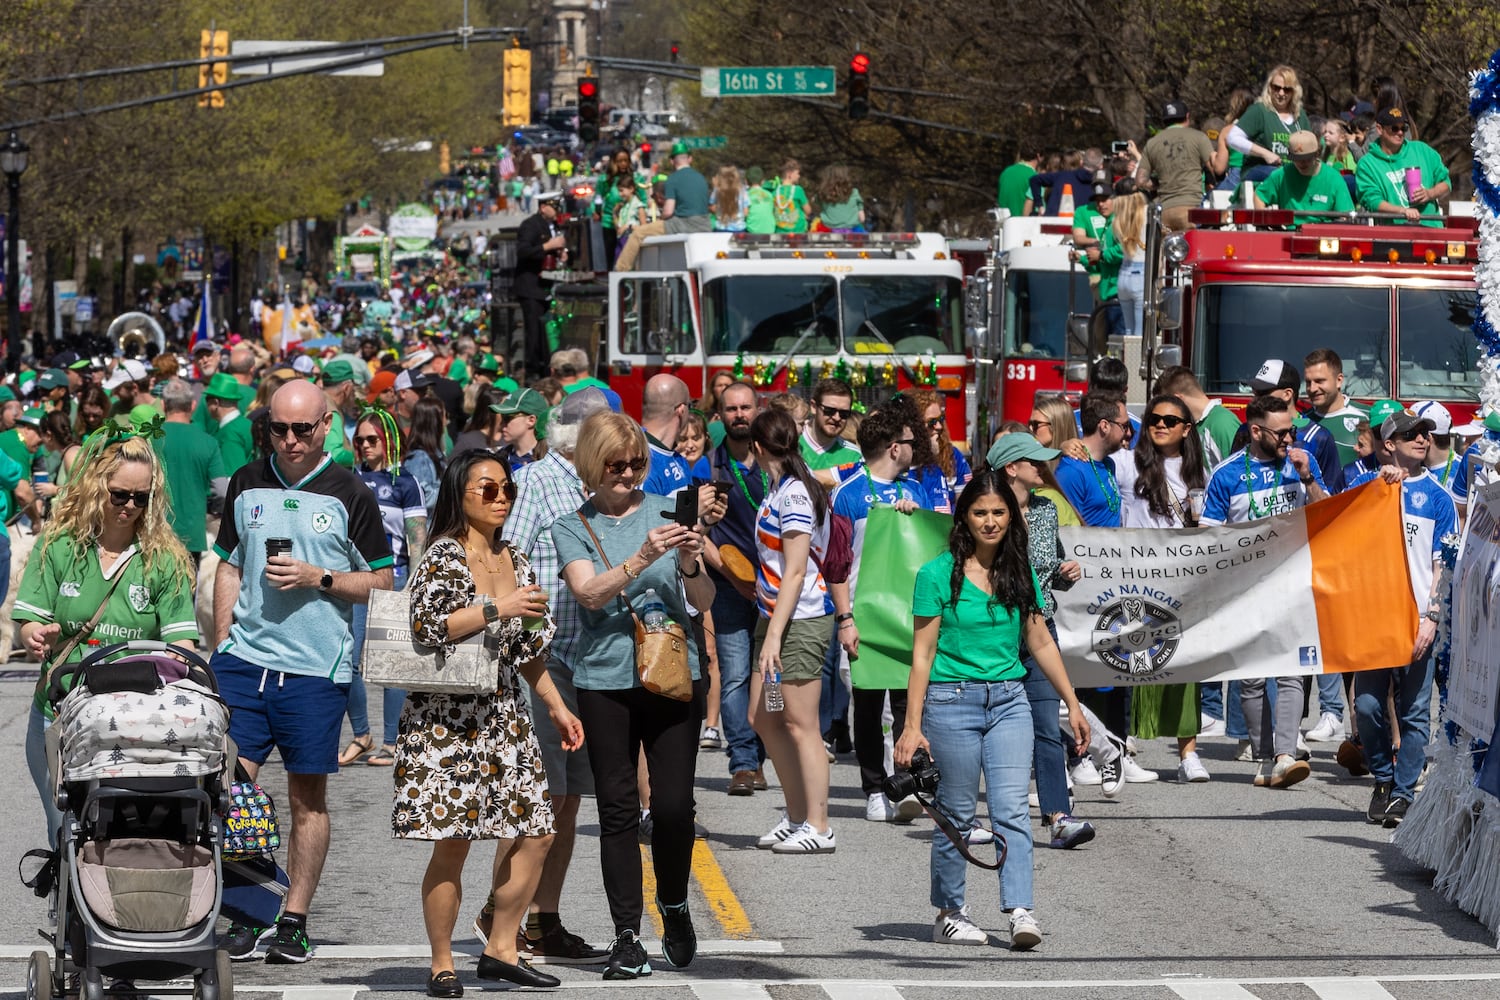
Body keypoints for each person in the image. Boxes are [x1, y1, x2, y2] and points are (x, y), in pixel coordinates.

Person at [210, 379, 395, 963]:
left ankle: (293, 917)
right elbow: (228, 565)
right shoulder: (247, 481)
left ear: (325, 428)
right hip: (244, 663)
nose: (289, 440)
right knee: (227, 786)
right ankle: (246, 907)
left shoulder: (350, 493)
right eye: (278, 428)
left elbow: (385, 582)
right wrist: (221, 643)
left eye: (302, 429)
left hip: (315, 671)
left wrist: (322, 578)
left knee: (306, 798)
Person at [399, 450, 582, 994]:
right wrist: (498, 607)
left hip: (504, 713)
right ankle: (441, 962)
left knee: (538, 831)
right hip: (445, 722)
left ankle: (502, 946)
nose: (501, 497)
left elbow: (527, 651)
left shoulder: (516, 559)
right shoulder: (442, 558)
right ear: (460, 494)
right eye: (487, 488)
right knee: (454, 843)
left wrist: (555, 704)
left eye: (507, 488)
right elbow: (427, 625)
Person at [552, 411, 716, 980]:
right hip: (603, 680)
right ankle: (626, 935)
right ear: (592, 467)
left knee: (673, 808)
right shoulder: (571, 524)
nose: (627, 474)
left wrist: (691, 559)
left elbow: (704, 596)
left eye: (637, 463)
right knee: (618, 811)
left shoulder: (669, 507)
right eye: (616, 465)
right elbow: (589, 593)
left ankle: (673, 902)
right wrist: (643, 557)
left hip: (673, 673)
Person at [895, 470, 1090, 950]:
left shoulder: (1018, 570)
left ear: (1011, 516)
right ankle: (950, 913)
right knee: (957, 814)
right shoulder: (936, 574)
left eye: (998, 512)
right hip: (950, 702)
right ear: (963, 517)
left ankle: (1020, 910)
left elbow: (1039, 639)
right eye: (980, 512)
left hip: (1009, 701)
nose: (989, 521)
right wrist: (911, 726)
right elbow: (921, 655)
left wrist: (1073, 702)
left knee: (1011, 812)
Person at [17, 431, 200, 846]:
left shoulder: (165, 558)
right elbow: (29, 620)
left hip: (133, 719)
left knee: (121, 833)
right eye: (119, 495)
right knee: (64, 832)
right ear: (97, 488)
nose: (130, 507)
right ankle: (69, 909)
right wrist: (34, 636)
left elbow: (181, 642)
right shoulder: (59, 546)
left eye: (142, 497)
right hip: (60, 711)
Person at [496, 388, 614, 964]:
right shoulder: (541, 481)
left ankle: (545, 919)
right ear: (579, 437)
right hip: (541, 659)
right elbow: (504, 558)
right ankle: (503, 916)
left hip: (587, 658)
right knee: (536, 798)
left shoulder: (596, 486)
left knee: (565, 803)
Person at [1199, 393, 1327, 788]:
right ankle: (1265, 754)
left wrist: (1307, 477)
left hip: (1292, 582)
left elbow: (1324, 513)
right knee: (1252, 678)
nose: (1290, 437)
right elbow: (1209, 536)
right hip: (1245, 588)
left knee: (1290, 671)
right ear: (1256, 431)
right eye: (1282, 431)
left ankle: (1286, 755)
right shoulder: (1227, 474)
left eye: (1293, 430)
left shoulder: (1301, 462)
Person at [987, 433, 1096, 849]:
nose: (1043, 467)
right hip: (993, 629)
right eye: (1035, 461)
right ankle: (971, 816)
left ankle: (1058, 816)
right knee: (983, 728)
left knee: (1046, 725)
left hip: (1040, 626)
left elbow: (1050, 572)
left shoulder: (1048, 509)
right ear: (1012, 467)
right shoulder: (988, 511)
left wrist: (1063, 576)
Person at [744, 407, 840, 853]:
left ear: (758, 447)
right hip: (775, 617)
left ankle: (819, 826)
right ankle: (798, 814)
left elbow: (797, 571)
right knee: (764, 717)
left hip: (799, 620)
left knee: (801, 724)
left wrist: (777, 635)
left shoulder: (795, 494)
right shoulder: (779, 487)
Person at [1354, 409, 1454, 827]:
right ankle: (1381, 776)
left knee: (1414, 713)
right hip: (1373, 618)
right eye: (1409, 433)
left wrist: (1430, 618)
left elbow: (1441, 568)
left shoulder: (1438, 497)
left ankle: (1401, 792)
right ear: (1388, 444)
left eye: (1424, 433)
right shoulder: (1368, 488)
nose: (1421, 438)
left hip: (1417, 619)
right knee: (1368, 707)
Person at [830, 405, 930, 822]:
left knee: (909, 704)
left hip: (911, 618)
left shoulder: (918, 491)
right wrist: (845, 620)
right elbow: (835, 564)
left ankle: (906, 782)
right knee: (868, 707)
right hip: (864, 618)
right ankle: (874, 786)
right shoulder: (848, 492)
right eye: (910, 442)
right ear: (894, 447)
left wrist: (915, 517)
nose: (915, 449)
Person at [1111, 395, 1211, 782]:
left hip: (1181, 579)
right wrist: (1074, 445)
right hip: (1134, 576)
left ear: (1187, 429)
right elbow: (1080, 461)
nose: (1161, 424)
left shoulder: (1200, 471)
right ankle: (1124, 745)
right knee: (1131, 661)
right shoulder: (1125, 463)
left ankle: (1188, 755)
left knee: (1184, 665)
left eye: (1171, 420)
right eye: (1154, 418)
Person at [692, 382, 770, 795]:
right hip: (728, 588)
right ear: (719, 416)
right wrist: (738, 582)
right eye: (731, 409)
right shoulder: (708, 468)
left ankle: (763, 751)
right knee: (737, 675)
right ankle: (743, 761)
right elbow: (698, 533)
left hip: (774, 589)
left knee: (770, 676)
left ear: (757, 411)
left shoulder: (777, 464)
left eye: (746, 407)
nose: (740, 414)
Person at [341, 410, 427, 768]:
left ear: (389, 440)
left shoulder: (406, 483)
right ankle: (361, 734)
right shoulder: (348, 479)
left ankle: (392, 742)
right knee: (348, 660)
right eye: (359, 440)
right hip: (353, 577)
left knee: (392, 664)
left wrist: (415, 582)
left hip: (395, 576)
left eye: (371, 439)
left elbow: (417, 538)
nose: (363, 446)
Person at [157, 379, 229, 562]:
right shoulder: (208, 442)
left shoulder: (148, 439)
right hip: (191, 536)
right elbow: (221, 490)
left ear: (163, 404)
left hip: (153, 533)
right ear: (194, 405)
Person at [614, 142, 712, 271]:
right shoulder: (701, 178)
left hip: (682, 224)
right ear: (690, 159)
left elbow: (668, 211)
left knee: (638, 233)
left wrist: (661, 219)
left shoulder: (672, 179)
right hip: (705, 224)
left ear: (672, 161)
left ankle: (620, 271)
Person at [1135, 100, 1227, 231]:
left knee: (1169, 250)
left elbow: (1140, 181)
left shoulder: (1152, 143)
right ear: (1187, 117)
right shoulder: (1198, 137)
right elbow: (1215, 169)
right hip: (1192, 210)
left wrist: (1159, 183)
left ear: (1164, 120)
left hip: (1165, 212)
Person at [1354, 106, 1451, 227]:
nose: (1400, 132)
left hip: (1431, 232)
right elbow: (1372, 201)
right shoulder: (1367, 164)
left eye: (1403, 128)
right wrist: (1402, 211)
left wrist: (1429, 194)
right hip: (1395, 235)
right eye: (1394, 128)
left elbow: (1446, 183)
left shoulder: (1422, 150)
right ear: (1379, 129)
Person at [1055, 390, 1129, 527]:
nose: (1128, 432)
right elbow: (1065, 528)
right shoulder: (1071, 471)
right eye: (1124, 426)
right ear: (1104, 426)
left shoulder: (1109, 463)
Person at [515, 191, 567, 379]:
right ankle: (533, 371)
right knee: (534, 332)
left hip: (547, 286)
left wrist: (561, 253)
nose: (556, 211)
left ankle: (548, 367)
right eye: (553, 206)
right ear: (543, 207)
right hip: (531, 287)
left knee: (549, 332)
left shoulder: (554, 226)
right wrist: (548, 246)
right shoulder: (530, 225)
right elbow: (523, 251)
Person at [1253, 130, 1355, 223]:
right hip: (1288, 232)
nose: (1302, 163)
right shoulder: (1282, 174)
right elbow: (1260, 196)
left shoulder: (1333, 178)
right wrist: (1265, 221)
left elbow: (1345, 214)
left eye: (1307, 158)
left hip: (1323, 235)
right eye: (1297, 158)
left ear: (1317, 154)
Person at [1236, 66, 1313, 185]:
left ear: (1294, 91)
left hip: (1292, 171)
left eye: (1287, 89)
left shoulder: (1300, 116)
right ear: (1269, 87)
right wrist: (1264, 153)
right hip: (1259, 169)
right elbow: (1233, 138)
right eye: (1276, 88)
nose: (1281, 93)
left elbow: (1311, 148)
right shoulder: (1259, 110)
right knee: (1281, 174)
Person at [910, 389, 972, 514]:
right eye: (932, 422)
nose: (939, 426)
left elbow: (966, 505)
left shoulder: (953, 456)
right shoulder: (902, 458)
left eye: (941, 419)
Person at [800, 378, 861, 488]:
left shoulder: (854, 456)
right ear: (814, 407)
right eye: (829, 411)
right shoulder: (790, 442)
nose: (837, 418)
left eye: (844, 413)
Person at [203, 372, 256, 475]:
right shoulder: (247, 423)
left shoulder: (229, 434)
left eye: (207, 399)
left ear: (216, 403)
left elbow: (233, 477)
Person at [495, 388, 549, 473]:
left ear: (531, 420)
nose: (501, 424)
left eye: (507, 418)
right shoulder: (499, 458)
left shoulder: (550, 459)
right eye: (501, 418)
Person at [815, 165, 865, 232]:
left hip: (828, 231)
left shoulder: (822, 194)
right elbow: (862, 218)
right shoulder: (854, 193)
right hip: (851, 231)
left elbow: (816, 205)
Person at [997, 147, 1039, 218]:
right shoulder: (1035, 177)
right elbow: (1041, 211)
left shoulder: (1005, 172)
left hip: (1004, 225)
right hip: (1023, 226)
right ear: (1039, 156)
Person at [772, 159, 812, 234]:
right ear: (789, 174)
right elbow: (808, 210)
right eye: (797, 173)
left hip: (780, 232)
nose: (799, 176)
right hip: (798, 232)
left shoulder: (774, 192)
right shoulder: (798, 190)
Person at [711, 165, 749, 232]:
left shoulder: (717, 190)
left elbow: (712, 207)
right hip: (739, 228)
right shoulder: (743, 190)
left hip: (721, 228)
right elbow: (746, 212)